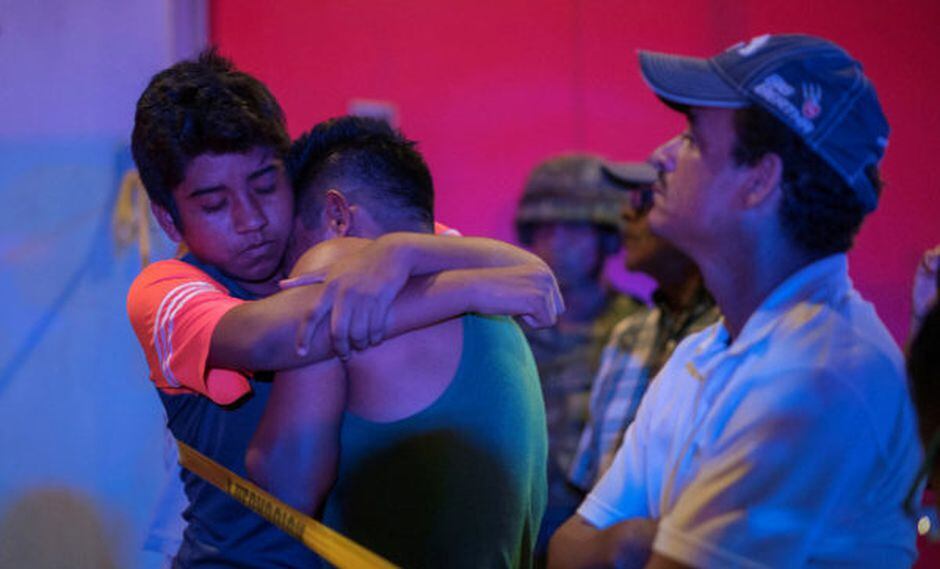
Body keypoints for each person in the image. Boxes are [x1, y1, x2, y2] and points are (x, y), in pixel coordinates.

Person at [127, 53, 561, 568]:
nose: (251, 220)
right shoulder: (166, 292)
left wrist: (403, 252)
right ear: (169, 220)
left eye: (265, 185)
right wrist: (464, 291)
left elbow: (529, 276)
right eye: (215, 205)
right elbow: (274, 337)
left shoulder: (359, 250)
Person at [549, 33, 921, 568]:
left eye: (693, 139)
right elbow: (566, 549)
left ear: (759, 180)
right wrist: (635, 543)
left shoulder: (824, 378)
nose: (661, 156)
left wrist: (631, 544)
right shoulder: (702, 352)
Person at [247, 116, 549, 568]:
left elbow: (289, 483)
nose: (286, 270)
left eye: (293, 243)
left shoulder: (332, 262)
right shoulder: (497, 312)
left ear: (336, 216)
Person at [514, 154, 645, 556]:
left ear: (607, 238)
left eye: (573, 228)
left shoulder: (640, 334)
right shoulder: (509, 329)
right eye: (543, 229)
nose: (555, 244)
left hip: (599, 542)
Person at [568, 161, 719, 493]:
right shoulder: (627, 335)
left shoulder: (735, 334)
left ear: (705, 214)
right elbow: (588, 486)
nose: (625, 214)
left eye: (646, 199)